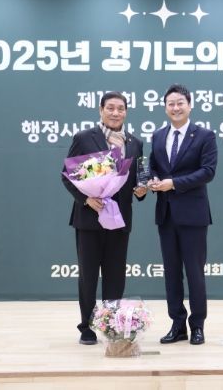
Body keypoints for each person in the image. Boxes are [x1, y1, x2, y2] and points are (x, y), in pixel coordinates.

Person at [61, 91, 146, 345]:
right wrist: (86, 199)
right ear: (101, 110)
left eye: (120, 108)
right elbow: (67, 175)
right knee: (88, 276)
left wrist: (141, 190)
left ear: (126, 112)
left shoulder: (135, 143)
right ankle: (86, 327)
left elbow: (137, 178)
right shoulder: (84, 138)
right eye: (110, 108)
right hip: (89, 218)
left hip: (119, 220)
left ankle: (111, 326)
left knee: (116, 277)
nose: (115, 113)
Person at [148, 84, 218, 345]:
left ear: (189, 105)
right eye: (171, 104)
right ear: (165, 107)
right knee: (171, 273)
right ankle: (177, 324)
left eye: (180, 103)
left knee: (195, 273)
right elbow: (153, 166)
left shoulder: (205, 136)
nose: (175, 108)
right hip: (166, 214)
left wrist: (174, 184)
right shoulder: (158, 136)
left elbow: (208, 171)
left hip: (193, 215)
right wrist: (152, 179)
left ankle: (197, 325)